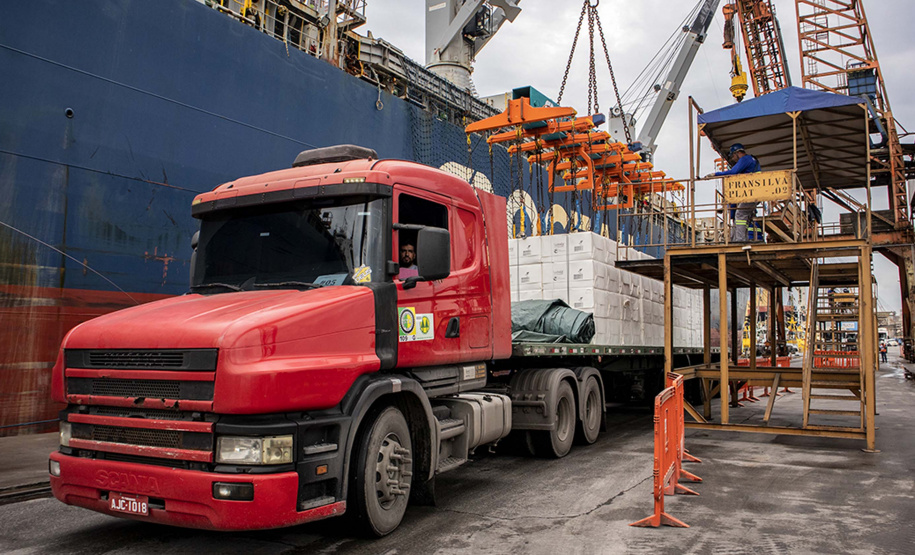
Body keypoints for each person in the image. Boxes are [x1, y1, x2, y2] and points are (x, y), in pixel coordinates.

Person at [704, 143, 761, 243]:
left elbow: (733, 172)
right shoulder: (753, 161)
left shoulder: (745, 159)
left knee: (740, 215)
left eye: (733, 156)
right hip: (756, 192)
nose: (734, 159)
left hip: (751, 193)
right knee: (746, 216)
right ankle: (741, 239)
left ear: (738, 153)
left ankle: (740, 241)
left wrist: (715, 174)